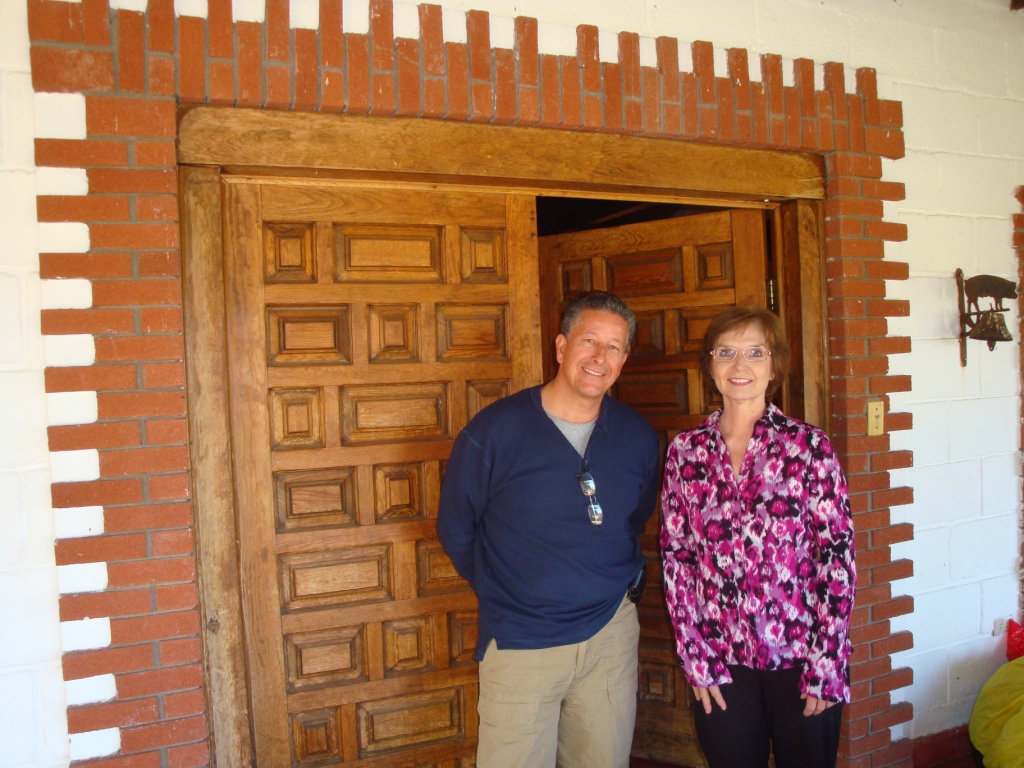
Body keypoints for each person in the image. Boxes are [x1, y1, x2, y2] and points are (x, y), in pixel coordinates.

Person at [437, 290, 660, 768]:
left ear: (624, 358)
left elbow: (634, 519)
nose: (600, 357)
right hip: (523, 639)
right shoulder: (495, 431)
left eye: (615, 346)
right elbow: (456, 526)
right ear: (561, 347)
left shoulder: (637, 436)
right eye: (589, 341)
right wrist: (506, 589)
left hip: (608, 635)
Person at [659, 307, 855, 768]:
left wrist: (827, 662)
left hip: (803, 660)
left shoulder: (808, 447)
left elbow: (838, 556)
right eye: (726, 352)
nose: (739, 366)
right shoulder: (686, 451)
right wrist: (695, 656)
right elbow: (677, 556)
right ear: (710, 365)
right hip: (721, 662)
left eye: (754, 352)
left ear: (774, 365)